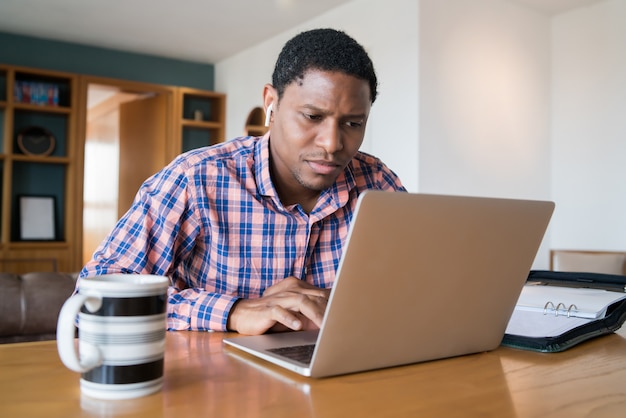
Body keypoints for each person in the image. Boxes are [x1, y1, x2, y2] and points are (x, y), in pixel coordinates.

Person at [79, 28, 406, 335]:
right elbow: (92, 297)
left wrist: (331, 302)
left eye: (352, 123)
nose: (332, 143)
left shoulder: (376, 183)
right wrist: (234, 312)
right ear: (271, 104)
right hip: (215, 387)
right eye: (312, 117)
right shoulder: (196, 179)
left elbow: (420, 287)